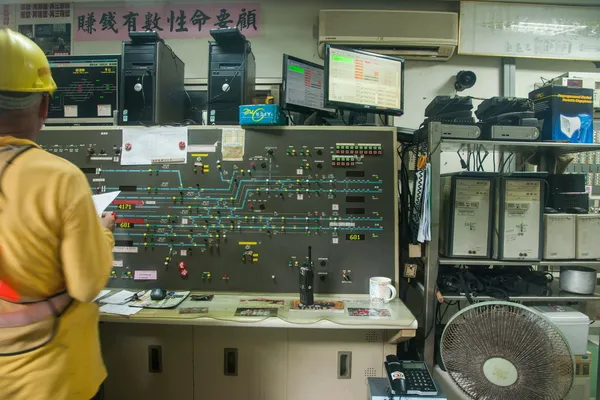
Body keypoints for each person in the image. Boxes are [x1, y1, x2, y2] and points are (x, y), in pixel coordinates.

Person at [0, 28, 115, 400]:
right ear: (44, 106)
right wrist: (102, 233)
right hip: (52, 379)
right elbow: (86, 285)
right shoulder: (59, 177)